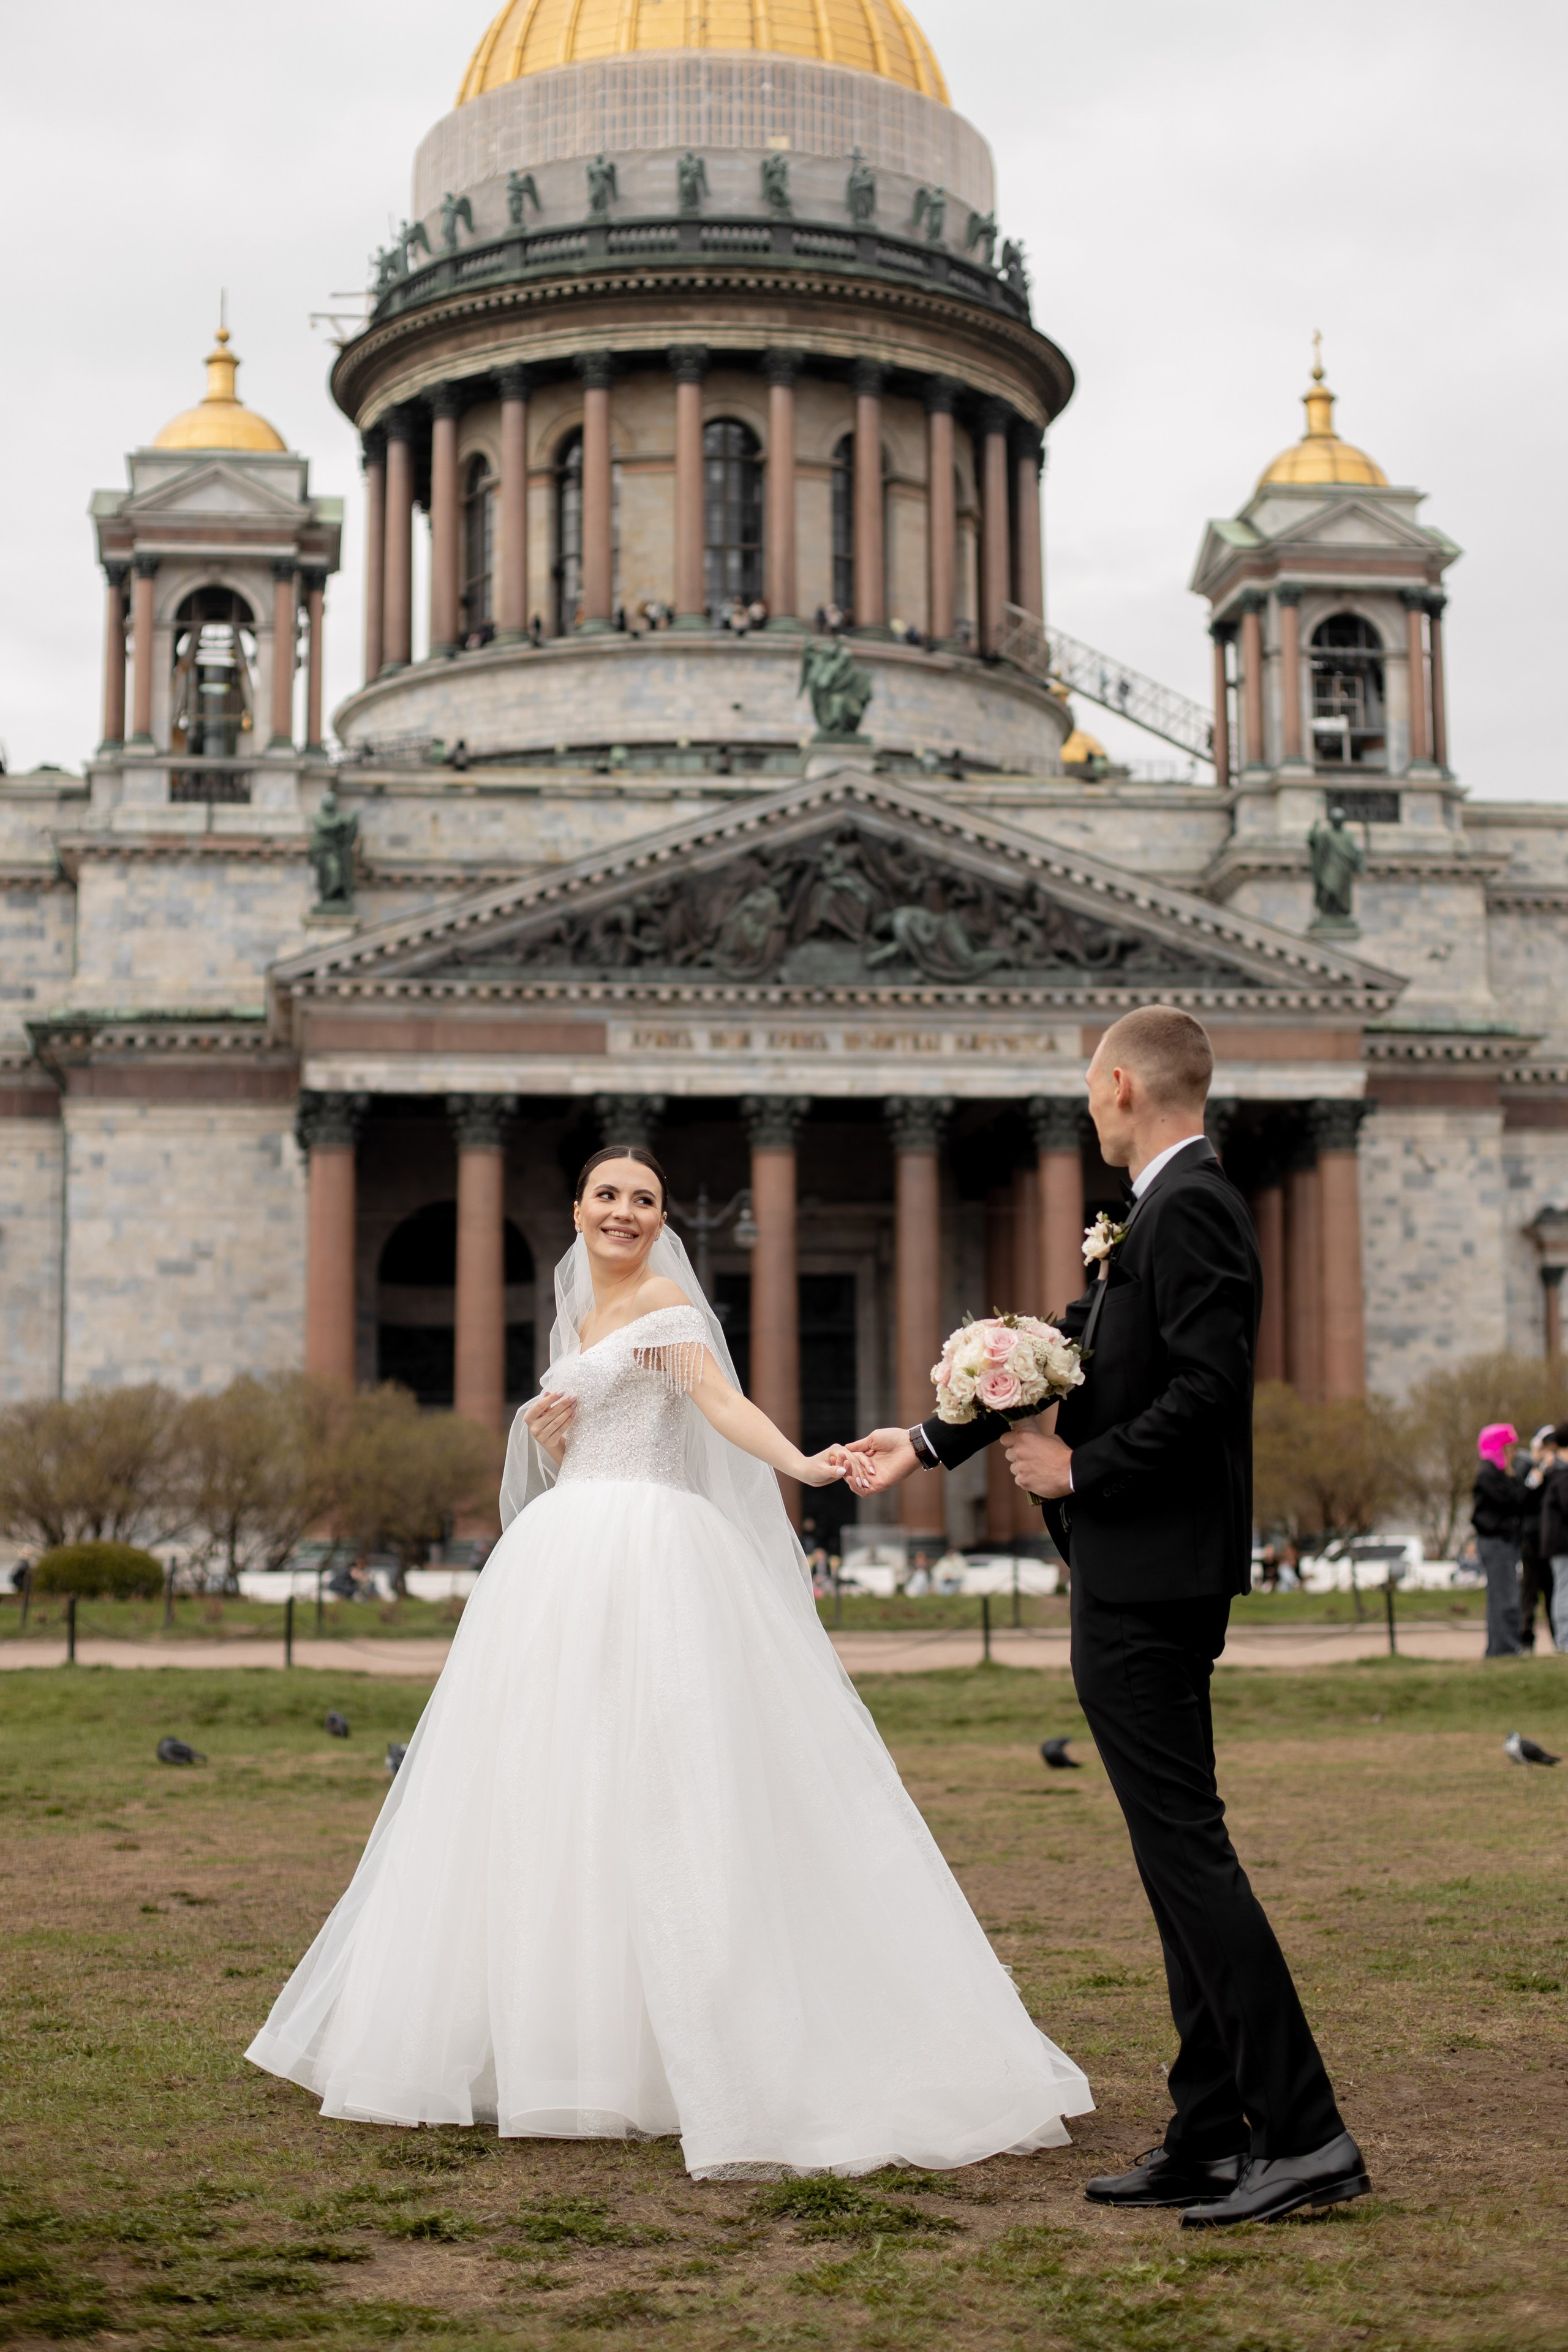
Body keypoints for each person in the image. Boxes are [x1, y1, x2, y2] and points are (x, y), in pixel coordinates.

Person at [248, 1148, 1090, 2176]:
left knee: (663, 1780)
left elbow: (719, 1408)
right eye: (607, 1196)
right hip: (564, 1552)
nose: (624, 1212)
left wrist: (805, 1464)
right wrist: (550, 1442)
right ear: (577, 1210)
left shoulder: (665, 1307)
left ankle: (696, 2040)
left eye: (643, 1201)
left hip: (648, 1546)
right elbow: (579, 1444)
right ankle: (565, 2037)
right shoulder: (575, 1318)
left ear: (660, 1222)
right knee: (553, 1783)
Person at [845, 1004, 1366, 2226]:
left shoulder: (1190, 1207)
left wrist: (1083, 1470)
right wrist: (926, 1440)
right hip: (1141, 1568)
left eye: (1090, 1090)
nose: (1086, 1109)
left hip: (1150, 1570)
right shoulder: (1158, 1211)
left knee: (1187, 1855)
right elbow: (1065, 1355)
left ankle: (1303, 2134)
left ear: (1123, 1085)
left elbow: (1208, 1390)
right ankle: (1209, 2131)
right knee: (1172, 1856)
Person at [1471, 1423, 1529, 1657]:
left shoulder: (1498, 1474)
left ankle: (1502, 1647)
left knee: (1504, 1596)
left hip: (1503, 1541)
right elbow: (1512, 1501)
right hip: (1496, 1542)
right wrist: (1529, 1481)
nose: (1513, 1454)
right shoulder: (1489, 1474)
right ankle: (1504, 1648)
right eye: (1509, 1448)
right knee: (1504, 1598)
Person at [1537, 1424, 1568, 1654]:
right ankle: (1565, 1641)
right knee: (1564, 1589)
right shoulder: (1561, 1473)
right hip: (1561, 1544)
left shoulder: (1555, 1470)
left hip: (1558, 1543)